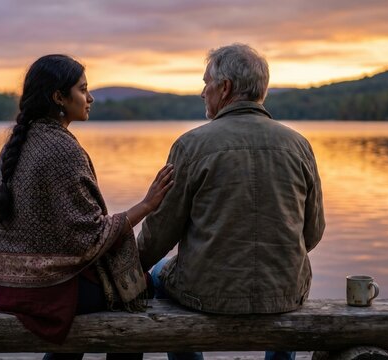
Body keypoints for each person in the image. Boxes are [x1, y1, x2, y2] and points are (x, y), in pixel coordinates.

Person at [0, 54, 174, 360]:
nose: (90, 97)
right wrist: (147, 205)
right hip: (45, 293)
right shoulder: (63, 148)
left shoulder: (16, 144)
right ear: (59, 97)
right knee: (137, 289)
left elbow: (68, 236)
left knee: (97, 287)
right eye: (83, 89)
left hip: (5, 287)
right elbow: (89, 239)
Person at [138, 44, 325, 360]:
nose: (202, 93)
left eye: (205, 83)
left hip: (204, 294)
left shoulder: (190, 145)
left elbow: (159, 235)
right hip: (283, 293)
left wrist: (131, 266)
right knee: (289, 279)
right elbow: (313, 232)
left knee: (157, 273)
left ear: (224, 88)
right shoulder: (298, 145)